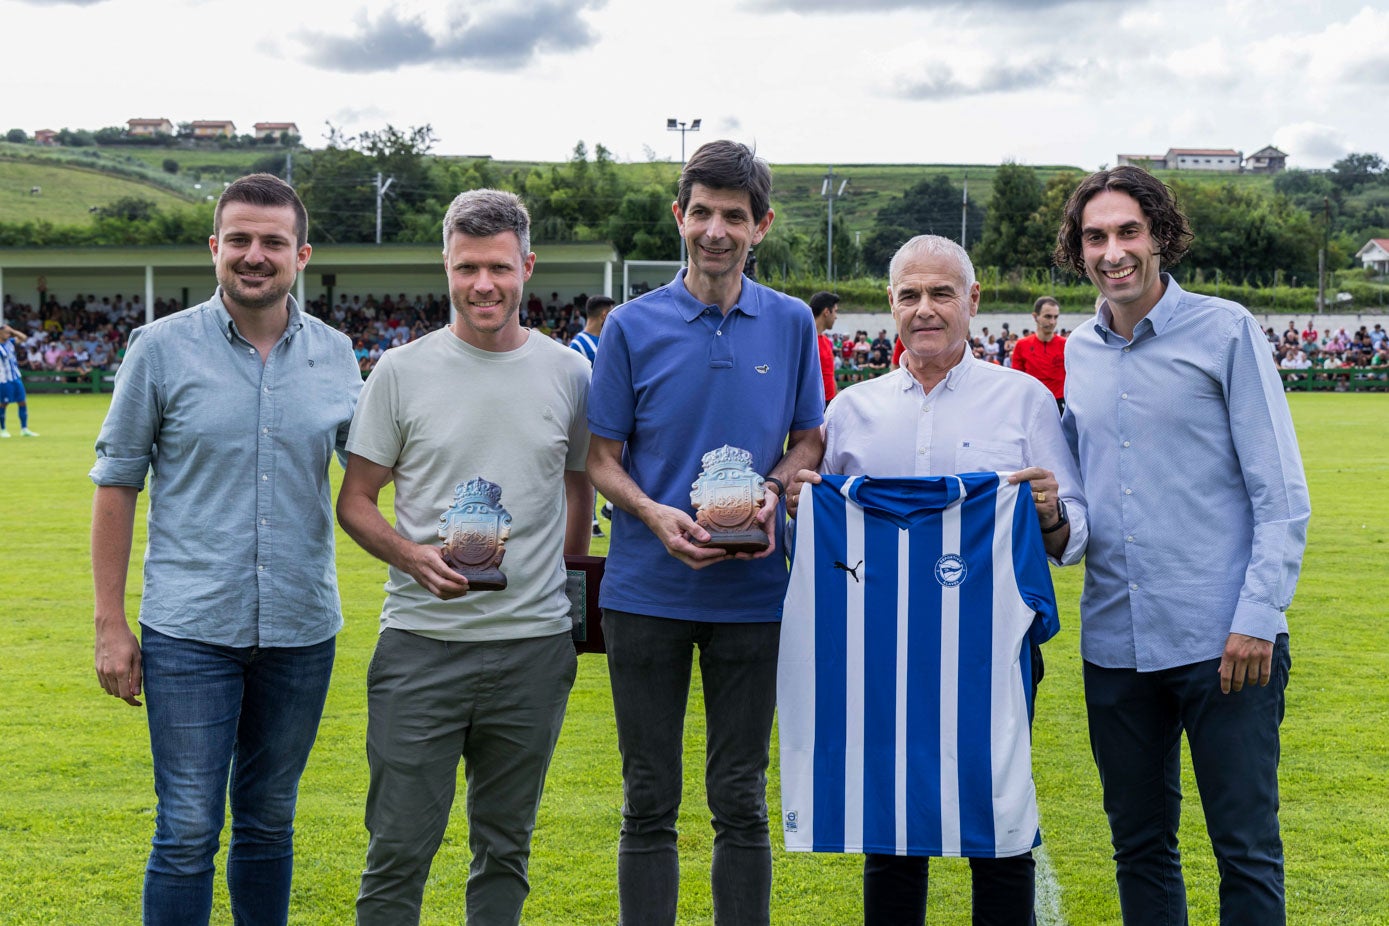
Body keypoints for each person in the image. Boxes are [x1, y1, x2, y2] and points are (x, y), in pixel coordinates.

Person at [784, 235, 1088, 925]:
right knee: (890, 819)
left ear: (972, 301)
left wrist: (1048, 514)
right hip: (878, 647)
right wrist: (804, 514)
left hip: (992, 645)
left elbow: (1075, 532)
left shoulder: (1024, 400)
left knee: (998, 810)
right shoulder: (851, 411)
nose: (925, 309)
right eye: (910, 295)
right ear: (890, 306)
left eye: (941, 293)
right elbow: (821, 550)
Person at [89, 173, 362, 926]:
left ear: (300, 254)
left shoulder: (338, 356)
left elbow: (374, 477)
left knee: (271, 823)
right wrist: (111, 625)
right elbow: (116, 485)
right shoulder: (159, 349)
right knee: (185, 831)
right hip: (188, 632)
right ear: (214, 248)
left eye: (272, 241)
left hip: (302, 631)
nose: (254, 255)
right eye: (238, 239)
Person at [1054, 165, 1310, 925]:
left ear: (1159, 235)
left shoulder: (1225, 330)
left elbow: (1281, 492)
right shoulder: (1077, 352)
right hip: (1114, 642)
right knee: (1137, 848)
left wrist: (1257, 616)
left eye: (1127, 231)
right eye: (1095, 236)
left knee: (1245, 851)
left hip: (1224, 640)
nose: (1112, 251)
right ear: (1078, 249)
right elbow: (1082, 497)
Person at [337, 189, 593, 926]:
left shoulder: (567, 374)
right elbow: (355, 501)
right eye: (467, 267)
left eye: (500, 268)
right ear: (446, 267)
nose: (484, 284)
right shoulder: (400, 371)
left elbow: (579, 491)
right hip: (422, 646)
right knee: (396, 851)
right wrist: (412, 556)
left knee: (504, 850)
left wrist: (563, 594)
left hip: (531, 653)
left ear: (528, 267)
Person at [586, 139, 825, 926]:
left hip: (755, 590)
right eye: (700, 213)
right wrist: (654, 515)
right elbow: (601, 459)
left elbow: (808, 440)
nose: (714, 230)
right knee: (648, 796)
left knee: (740, 796)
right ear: (677, 217)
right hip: (645, 590)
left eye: (732, 216)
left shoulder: (791, 323)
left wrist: (773, 490)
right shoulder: (629, 325)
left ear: (760, 225)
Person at [569, 294, 615, 536]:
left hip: (607, 417)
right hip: (588, 418)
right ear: (605, 314)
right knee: (588, 469)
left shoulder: (606, 342)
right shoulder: (578, 345)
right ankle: (594, 519)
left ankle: (609, 508)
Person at [1011, 297, 1067, 413]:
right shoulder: (1022, 345)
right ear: (1035, 317)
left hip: (1060, 402)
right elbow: (1017, 380)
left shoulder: (1066, 345)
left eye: (1055, 317)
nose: (1052, 322)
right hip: (1032, 403)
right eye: (1048, 316)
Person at [0, 322, 38, 437]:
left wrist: (12, 330)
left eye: (8, 332)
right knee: (3, 404)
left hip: (16, 377)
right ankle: (3, 429)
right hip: (4, 379)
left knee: (22, 402)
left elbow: (24, 338)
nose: (8, 334)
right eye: (6, 332)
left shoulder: (10, 343)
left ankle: (24, 429)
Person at [809, 291, 840, 404]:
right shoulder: (806, 340)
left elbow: (831, 375)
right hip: (814, 404)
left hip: (829, 403)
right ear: (827, 312)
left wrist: (836, 401)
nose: (836, 317)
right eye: (835, 311)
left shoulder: (827, 341)